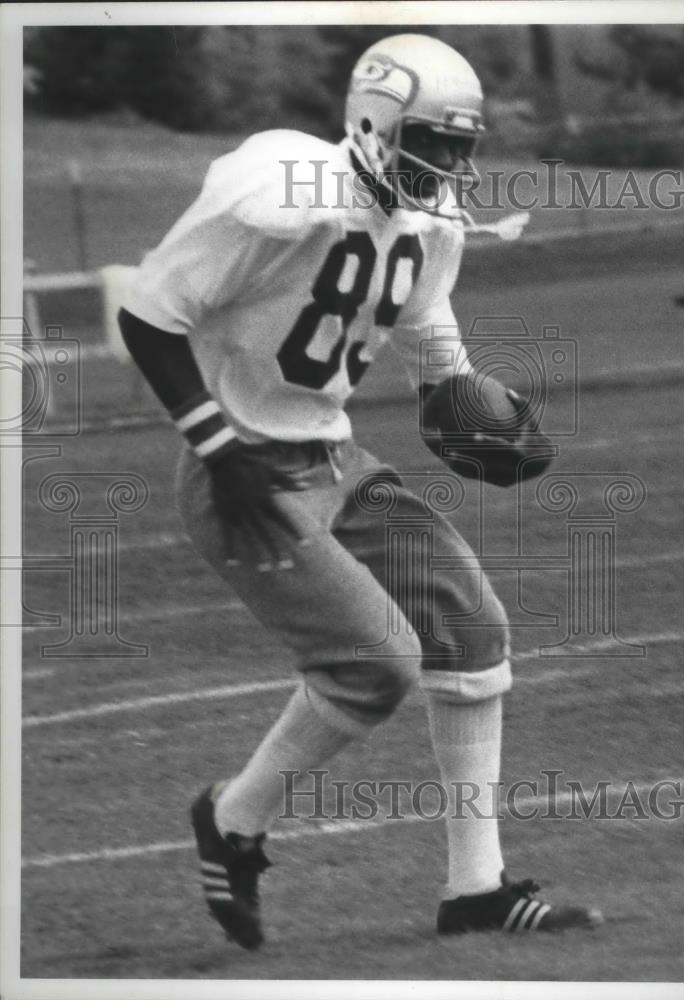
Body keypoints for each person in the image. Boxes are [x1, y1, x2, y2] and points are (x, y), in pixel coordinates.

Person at [119, 33, 602, 950]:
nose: (453, 164)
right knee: (377, 663)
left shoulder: (430, 226)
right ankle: (233, 820)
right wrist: (216, 442)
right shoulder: (281, 199)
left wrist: (470, 412)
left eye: (465, 145)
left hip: (332, 463)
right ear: (376, 124)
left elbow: (430, 349)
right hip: (243, 473)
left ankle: (477, 892)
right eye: (437, 141)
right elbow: (148, 314)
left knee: (469, 629)